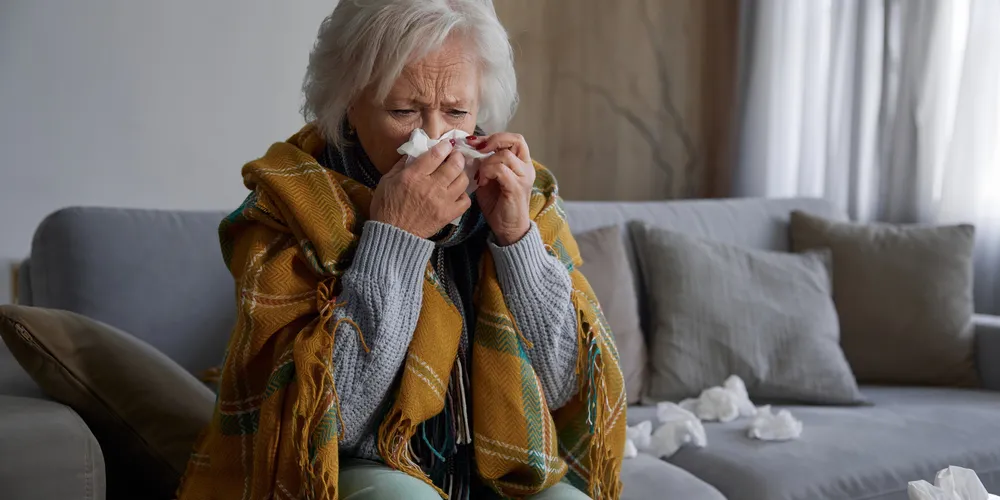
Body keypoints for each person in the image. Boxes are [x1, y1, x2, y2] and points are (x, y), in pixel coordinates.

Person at [177, 1, 625, 499]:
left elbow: (567, 390)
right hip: (352, 469)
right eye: (403, 110)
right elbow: (332, 424)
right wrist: (395, 238)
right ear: (348, 103)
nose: (433, 137)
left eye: (457, 111)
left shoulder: (525, 194)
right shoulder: (288, 207)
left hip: (502, 467)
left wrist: (516, 242)